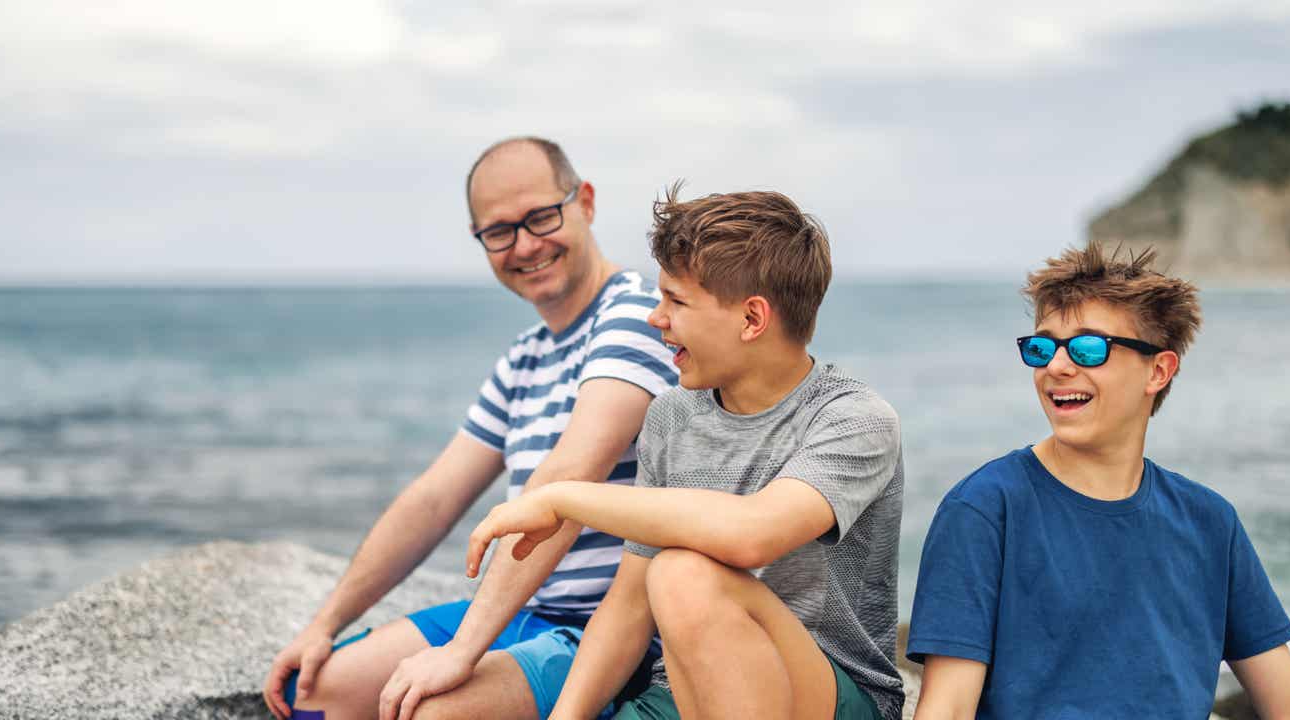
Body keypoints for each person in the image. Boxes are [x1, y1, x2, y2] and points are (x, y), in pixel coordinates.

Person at [261, 137, 677, 720]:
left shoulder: (635, 314)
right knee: (315, 690)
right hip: (528, 611)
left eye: (540, 217)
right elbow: (433, 500)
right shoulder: (526, 356)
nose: (525, 245)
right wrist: (325, 624)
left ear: (584, 202)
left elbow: (570, 475)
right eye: (499, 231)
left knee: (430, 712)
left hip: (611, 634)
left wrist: (463, 650)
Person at [466, 185, 907, 720]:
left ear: (752, 320)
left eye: (676, 301)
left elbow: (752, 535)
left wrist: (564, 499)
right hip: (681, 696)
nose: (656, 317)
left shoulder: (853, 418)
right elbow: (627, 606)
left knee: (681, 573)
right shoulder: (672, 416)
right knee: (660, 576)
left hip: (828, 697)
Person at [907, 243, 1290, 718]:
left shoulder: (1210, 522)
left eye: (1089, 348)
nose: (1057, 366)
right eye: (1042, 346)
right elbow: (945, 710)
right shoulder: (985, 509)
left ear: (1158, 370)